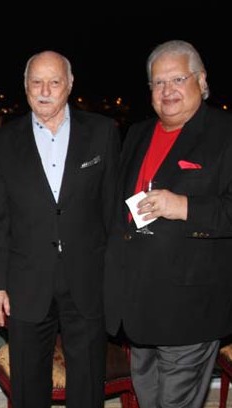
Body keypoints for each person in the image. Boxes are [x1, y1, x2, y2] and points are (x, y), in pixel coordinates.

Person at [0, 50, 121, 408]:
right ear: (25, 86)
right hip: (26, 284)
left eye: (54, 82)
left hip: (87, 281)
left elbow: (112, 213)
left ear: (69, 85)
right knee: (28, 388)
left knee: (88, 386)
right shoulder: (2, 141)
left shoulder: (102, 133)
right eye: (36, 82)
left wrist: (116, 279)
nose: (44, 91)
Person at [105, 39, 232, 408]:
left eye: (177, 79)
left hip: (189, 307)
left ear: (201, 80)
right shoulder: (137, 133)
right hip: (137, 305)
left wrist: (184, 206)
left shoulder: (225, 132)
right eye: (158, 83)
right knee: (149, 399)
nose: (167, 90)